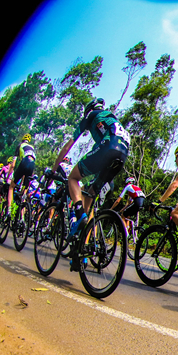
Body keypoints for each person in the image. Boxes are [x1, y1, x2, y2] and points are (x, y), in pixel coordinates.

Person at [55, 97, 130, 268]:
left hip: (109, 147)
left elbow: (68, 146)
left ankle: (79, 213)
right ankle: (81, 254)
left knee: (73, 178)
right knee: (89, 198)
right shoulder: (111, 117)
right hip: (123, 153)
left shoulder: (91, 115)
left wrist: (54, 168)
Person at [7, 134, 36, 216]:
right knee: (24, 192)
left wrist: (8, 177)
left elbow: (13, 165)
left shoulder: (20, 145)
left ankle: (8, 211)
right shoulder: (32, 148)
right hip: (32, 165)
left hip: (24, 162)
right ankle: (22, 218)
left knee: (11, 187)